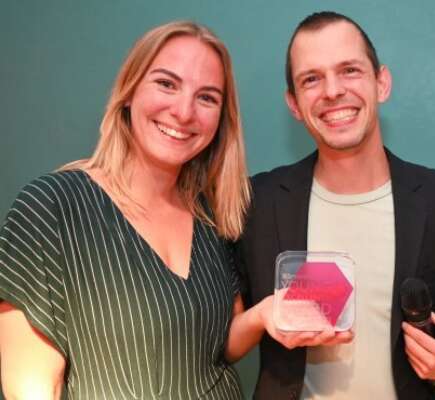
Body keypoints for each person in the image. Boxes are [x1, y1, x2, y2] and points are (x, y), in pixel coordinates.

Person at [234, 11, 435, 400]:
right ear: (294, 104)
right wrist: (262, 316)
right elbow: (220, 334)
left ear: (381, 82)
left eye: (349, 70)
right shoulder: (255, 202)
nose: (332, 91)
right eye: (311, 79)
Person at [0, 21, 251, 399]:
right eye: (167, 83)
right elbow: (31, 388)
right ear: (129, 91)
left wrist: (266, 317)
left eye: (207, 97)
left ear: (220, 120)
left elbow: (217, 342)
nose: (184, 112)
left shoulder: (210, 216)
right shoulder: (52, 206)